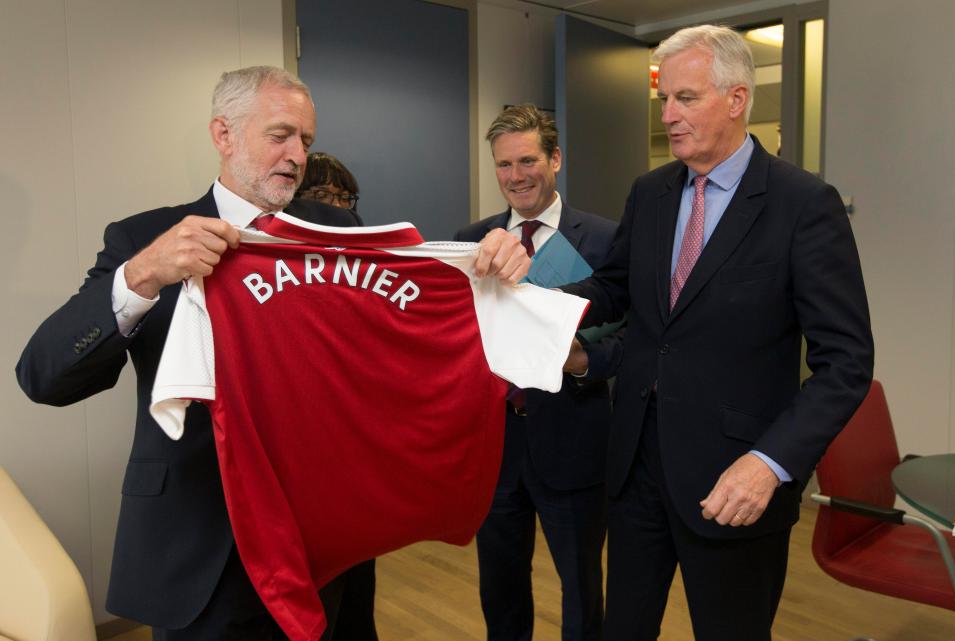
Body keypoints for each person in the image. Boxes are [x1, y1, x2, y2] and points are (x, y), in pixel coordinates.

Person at [16, 65, 529, 640]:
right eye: (280, 135)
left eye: (306, 141)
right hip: (203, 542)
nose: (297, 155)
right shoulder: (145, 238)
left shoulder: (337, 229)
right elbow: (43, 376)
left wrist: (490, 263)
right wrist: (139, 278)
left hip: (326, 537)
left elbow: (407, 320)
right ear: (223, 134)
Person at [562, 26, 874, 641]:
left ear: (736, 99)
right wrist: (526, 305)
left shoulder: (804, 204)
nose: (669, 116)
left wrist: (771, 463)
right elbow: (613, 289)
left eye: (686, 98)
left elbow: (847, 363)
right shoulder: (650, 193)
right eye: (664, 101)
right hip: (636, 471)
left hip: (736, 481)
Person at [455, 104, 621, 641]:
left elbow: (632, 338)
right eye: (504, 165)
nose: (516, 176)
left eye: (528, 161)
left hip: (573, 437)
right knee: (499, 585)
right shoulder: (471, 240)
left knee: (580, 586)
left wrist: (582, 362)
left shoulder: (604, 239)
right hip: (495, 445)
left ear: (556, 159)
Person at [294, 151, 377, 641]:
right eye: (323, 196)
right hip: (297, 470)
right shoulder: (266, 268)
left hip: (351, 468)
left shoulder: (366, 264)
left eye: (345, 198)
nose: (338, 208)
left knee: (354, 604)